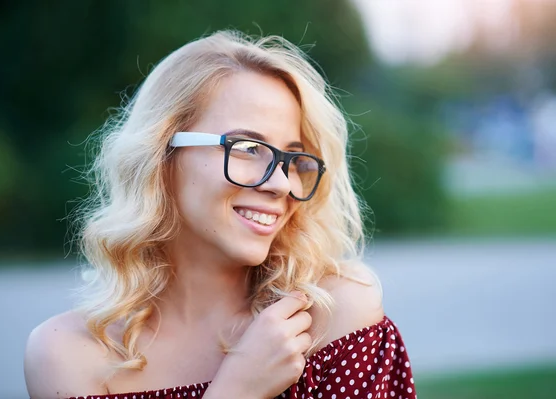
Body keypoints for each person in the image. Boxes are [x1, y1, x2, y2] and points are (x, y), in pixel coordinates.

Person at [24, 30, 416, 399]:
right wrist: (237, 389)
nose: (280, 185)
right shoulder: (66, 355)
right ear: (162, 155)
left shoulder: (332, 316)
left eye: (292, 159)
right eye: (247, 148)